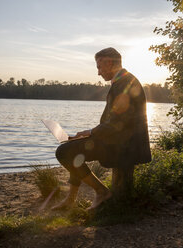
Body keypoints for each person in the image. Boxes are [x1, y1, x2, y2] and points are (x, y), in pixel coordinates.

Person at [53, 47, 151, 210]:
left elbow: (118, 123)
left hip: (125, 146)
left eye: (99, 67)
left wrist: (91, 133)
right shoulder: (123, 81)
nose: (98, 73)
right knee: (72, 148)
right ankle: (70, 200)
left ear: (110, 63)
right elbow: (116, 121)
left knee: (64, 152)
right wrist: (89, 134)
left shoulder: (125, 84)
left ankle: (101, 192)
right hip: (120, 140)